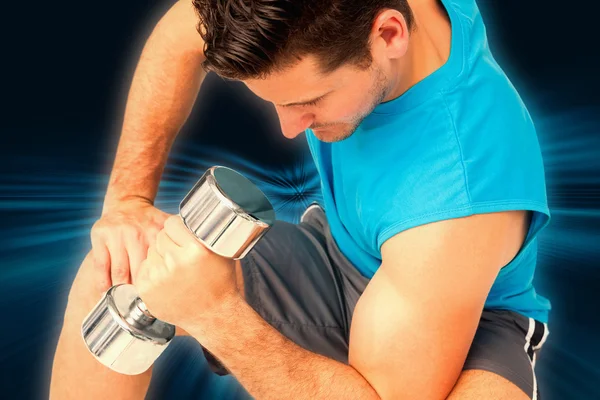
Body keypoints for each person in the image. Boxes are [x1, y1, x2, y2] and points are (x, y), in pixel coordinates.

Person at [49, 0, 552, 398]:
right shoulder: (314, 13)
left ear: (389, 34)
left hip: (465, 314)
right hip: (344, 250)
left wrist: (217, 315)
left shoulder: (461, 194)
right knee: (115, 274)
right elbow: (182, 34)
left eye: (307, 102)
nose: (289, 129)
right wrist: (128, 201)